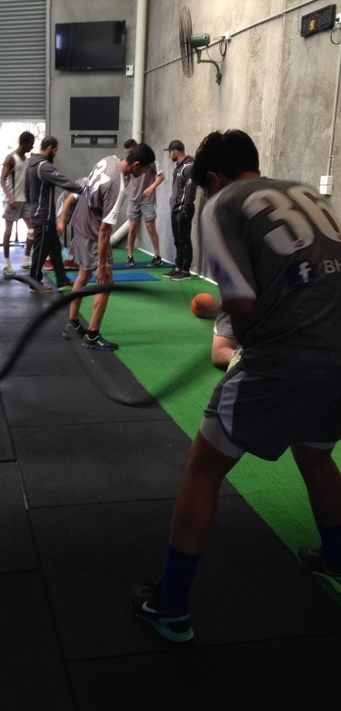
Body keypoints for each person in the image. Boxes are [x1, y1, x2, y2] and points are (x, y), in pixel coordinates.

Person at [131, 129, 341, 644]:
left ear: (213, 179)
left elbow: (243, 307)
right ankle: (337, 559)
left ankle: (171, 604)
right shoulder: (309, 194)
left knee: (203, 466)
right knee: (315, 454)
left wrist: (224, 314)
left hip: (292, 352)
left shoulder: (221, 203)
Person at [63, 143, 156, 351]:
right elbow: (105, 231)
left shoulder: (109, 159)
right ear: (137, 164)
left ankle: (72, 322)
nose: (144, 173)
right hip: (93, 231)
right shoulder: (118, 187)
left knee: (83, 274)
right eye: (145, 169)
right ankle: (92, 335)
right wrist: (103, 264)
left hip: (80, 222)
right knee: (105, 282)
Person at [25, 136, 85, 293]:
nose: (56, 153)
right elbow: (63, 181)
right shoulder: (43, 166)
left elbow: (27, 191)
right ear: (50, 147)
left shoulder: (31, 165)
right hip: (43, 216)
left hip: (43, 215)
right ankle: (34, 283)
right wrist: (84, 190)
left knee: (55, 248)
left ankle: (62, 279)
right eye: (56, 150)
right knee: (40, 251)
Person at [123, 138, 165, 268]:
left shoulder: (150, 162)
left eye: (130, 151)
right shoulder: (130, 164)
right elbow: (126, 180)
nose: (129, 154)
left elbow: (161, 176)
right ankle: (130, 256)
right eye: (127, 152)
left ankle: (157, 256)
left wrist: (151, 187)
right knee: (132, 228)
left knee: (150, 227)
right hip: (134, 199)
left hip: (147, 199)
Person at [0, 131, 35, 275]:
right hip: (11, 201)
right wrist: (11, 197)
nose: (32, 147)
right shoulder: (11, 158)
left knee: (32, 230)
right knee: (8, 231)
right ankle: (6, 264)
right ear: (24, 143)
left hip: (24, 201)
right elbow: (2, 179)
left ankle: (26, 260)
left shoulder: (26, 160)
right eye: (31, 144)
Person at [161, 140, 196, 280]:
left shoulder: (189, 167)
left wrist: (185, 208)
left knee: (184, 239)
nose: (169, 155)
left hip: (184, 209)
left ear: (176, 151)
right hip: (175, 209)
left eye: (170, 152)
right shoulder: (178, 168)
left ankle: (185, 271)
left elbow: (190, 190)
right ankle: (178, 267)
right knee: (177, 239)